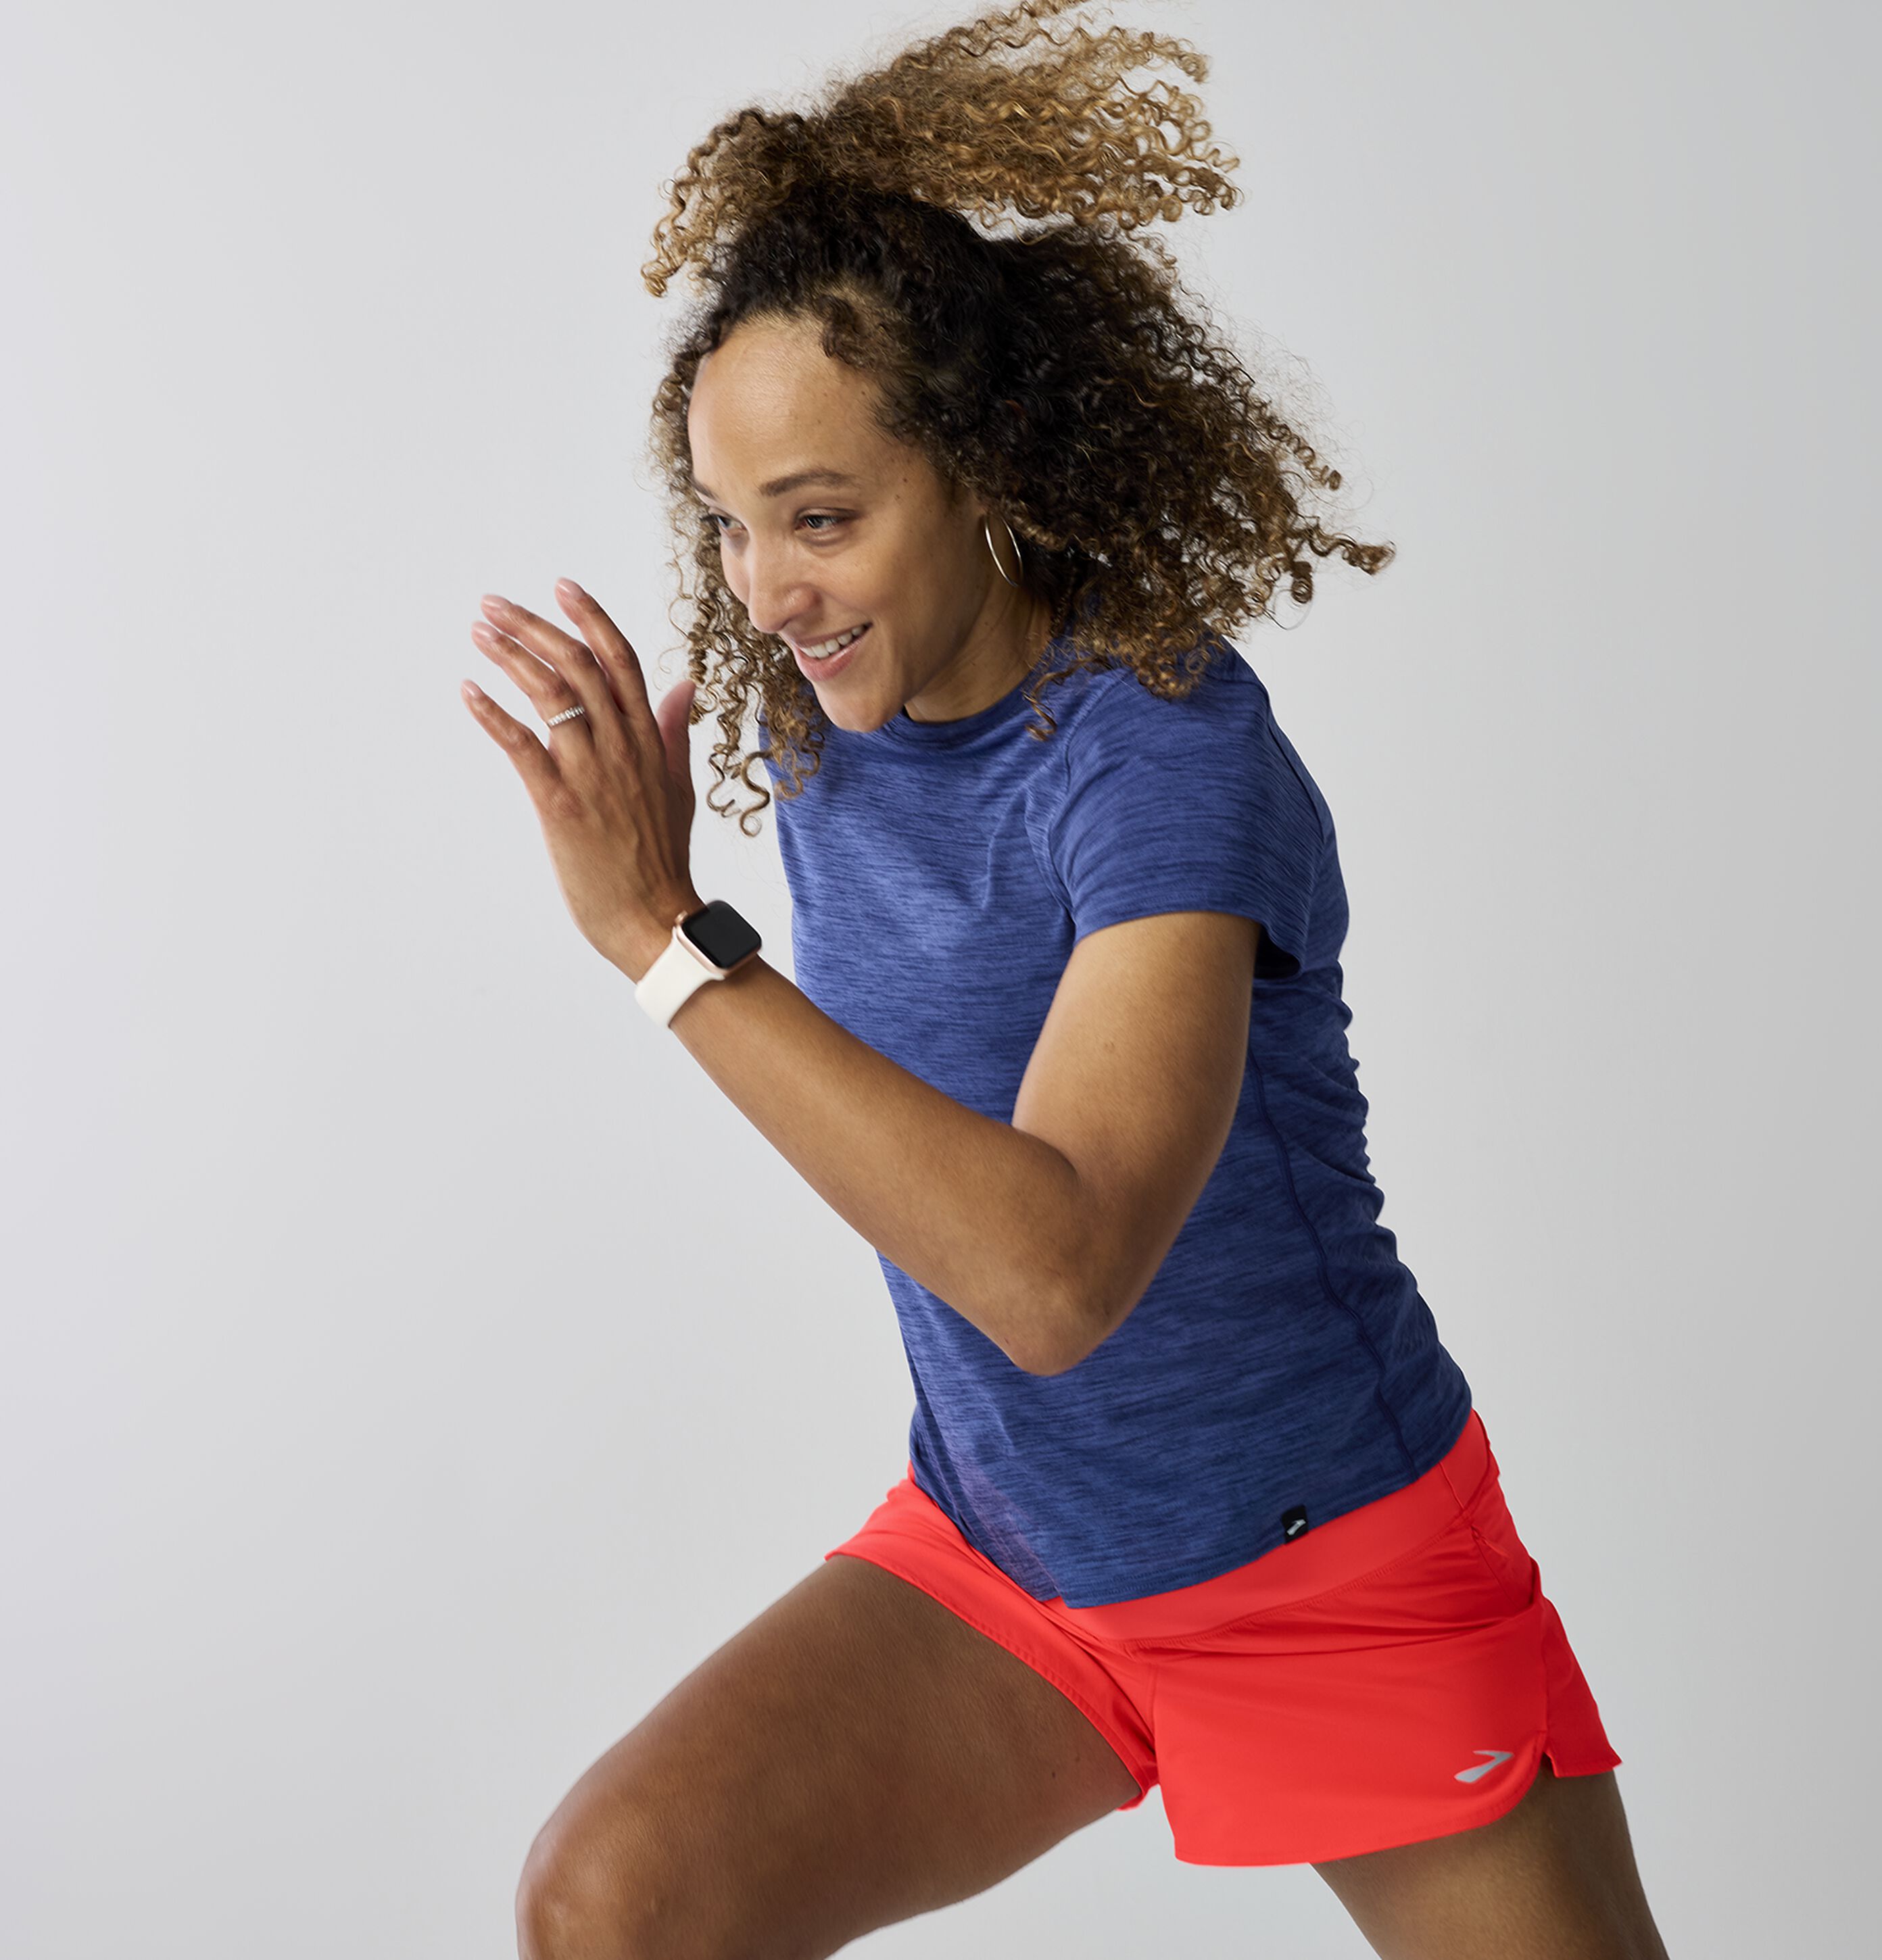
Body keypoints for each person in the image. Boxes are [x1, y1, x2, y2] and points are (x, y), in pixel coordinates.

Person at [460, 3, 1673, 1955]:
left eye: (823, 518)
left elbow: (1053, 1272)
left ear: (985, 470)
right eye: (732, 525)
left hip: (1324, 1566)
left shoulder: (1165, 751)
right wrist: (672, 923)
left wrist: (665, 943)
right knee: (615, 1901)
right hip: (1013, 1565)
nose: (768, 593)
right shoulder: (820, 716)